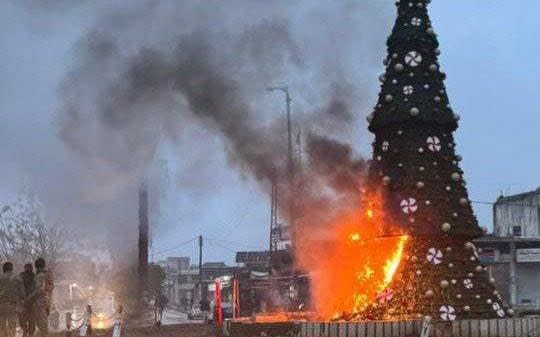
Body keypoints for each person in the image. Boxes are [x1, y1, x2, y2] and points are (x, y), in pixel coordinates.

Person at [25, 258, 54, 337]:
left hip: (39, 304)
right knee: (43, 327)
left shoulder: (40, 276)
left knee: (42, 328)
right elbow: (50, 290)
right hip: (46, 303)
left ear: (36, 266)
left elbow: (39, 290)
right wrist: (49, 305)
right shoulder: (48, 275)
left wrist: (28, 298)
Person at [0, 262, 24, 337]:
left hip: (1, 305)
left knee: (1, 325)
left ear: (3, 268)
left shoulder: (0, 277)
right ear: (11, 268)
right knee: (12, 325)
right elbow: (22, 294)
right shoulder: (18, 278)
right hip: (12, 306)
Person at [19, 263, 36, 337]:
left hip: (25, 302)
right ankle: (28, 332)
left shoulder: (21, 277)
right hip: (30, 302)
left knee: (24, 319)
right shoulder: (34, 277)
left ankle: (26, 331)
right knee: (30, 320)